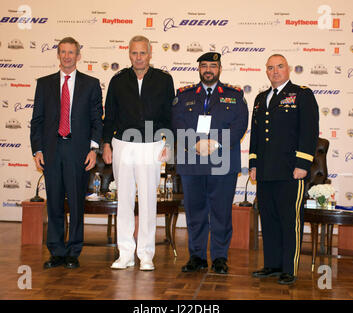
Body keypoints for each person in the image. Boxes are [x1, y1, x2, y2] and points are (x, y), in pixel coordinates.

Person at [102, 35, 175, 271]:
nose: (138, 57)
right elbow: (109, 114)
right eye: (134, 53)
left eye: (142, 52)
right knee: (123, 200)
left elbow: (169, 115)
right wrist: (106, 144)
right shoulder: (118, 80)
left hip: (151, 145)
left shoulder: (164, 80)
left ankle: (145, 254)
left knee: (147, 200)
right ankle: (125, 254)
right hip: (122, 144)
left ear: (150, 53)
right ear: (129, 53)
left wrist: (169, 142)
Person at [30, 37, 103, 269]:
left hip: (78, 150)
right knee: (53, 203)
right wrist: (38, 150)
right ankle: (57, 252)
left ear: (78, 56)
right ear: (58, 55)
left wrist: (94, 149)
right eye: (63, 52)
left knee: (75, 203)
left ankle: (73, 251)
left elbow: (96, 121)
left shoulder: (91, 84)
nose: (67, 56)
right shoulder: (44, 83)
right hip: (52, 151)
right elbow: (37, 120)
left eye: (71, 52)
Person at [172, 52, 248, 274]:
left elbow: (240, 125)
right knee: (195, 212)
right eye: (204, 65)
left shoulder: (235, 95)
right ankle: (196, 256)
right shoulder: (184, 95)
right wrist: (196, 143)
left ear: (220, 68)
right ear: (198, 69)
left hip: (222, 161)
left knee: (221, 213)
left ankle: (220, 258)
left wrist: (215, 144)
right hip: (191, 160)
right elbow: (177, 123)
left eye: (212, 66)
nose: (208, 69)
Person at [249, 54, 319, 285]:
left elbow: (309, 132)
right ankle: (272, 265)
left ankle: (289, 269)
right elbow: (256, 137)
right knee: (268, 220)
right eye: (270, 68)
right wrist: (253, 164)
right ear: (266, 71)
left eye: (280, 67)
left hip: (291, 171)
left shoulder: (302, 94)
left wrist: (302, 164)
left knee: (290, 220)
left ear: (288, 69)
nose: (275, 71)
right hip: (266, 171)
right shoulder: (260, 98)